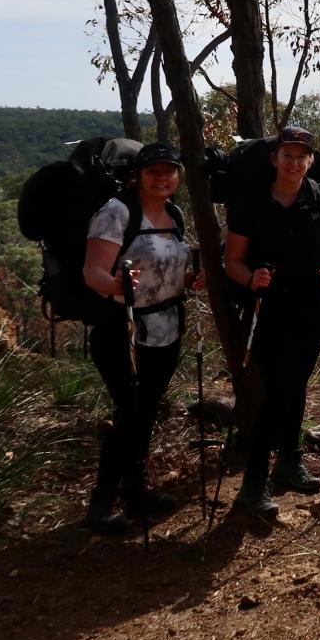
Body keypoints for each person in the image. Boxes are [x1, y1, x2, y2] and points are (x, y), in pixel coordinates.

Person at [224, 126, 320, 518]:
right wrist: (251, 278)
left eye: (301, 156)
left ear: (310, 161)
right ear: (274, 159)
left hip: (312, 307)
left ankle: (289, 460)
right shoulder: (252, 202)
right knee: (278, 390)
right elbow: (232, 261)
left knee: (296, 387)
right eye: (287, 155)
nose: (294, 163)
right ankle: (253, 483)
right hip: (269, 310)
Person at [81, 141, 202, 534]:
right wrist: (118, 286)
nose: (162, 177)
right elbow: (93, 272)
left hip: (166, 328)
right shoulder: (117, 212)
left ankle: (135, 490)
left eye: (169, 171)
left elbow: (167, 270)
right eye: (154, 171)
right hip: (123, 329)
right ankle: (101, 503)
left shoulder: (174, 214)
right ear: (138, 175)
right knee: (130, 413)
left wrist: (190, 279)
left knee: (145, 411)